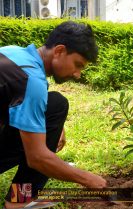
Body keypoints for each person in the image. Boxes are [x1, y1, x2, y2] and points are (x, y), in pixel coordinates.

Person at [0, 21, 107, 209]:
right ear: (59, 51)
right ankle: (18, 201)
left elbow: (23, 95)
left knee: (54, 104)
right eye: (78, 65)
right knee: (41, 152)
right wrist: (88, 179)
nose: (77, 74)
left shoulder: (12, 52)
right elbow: (37, 158)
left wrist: (52, 126)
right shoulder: (32, 81)